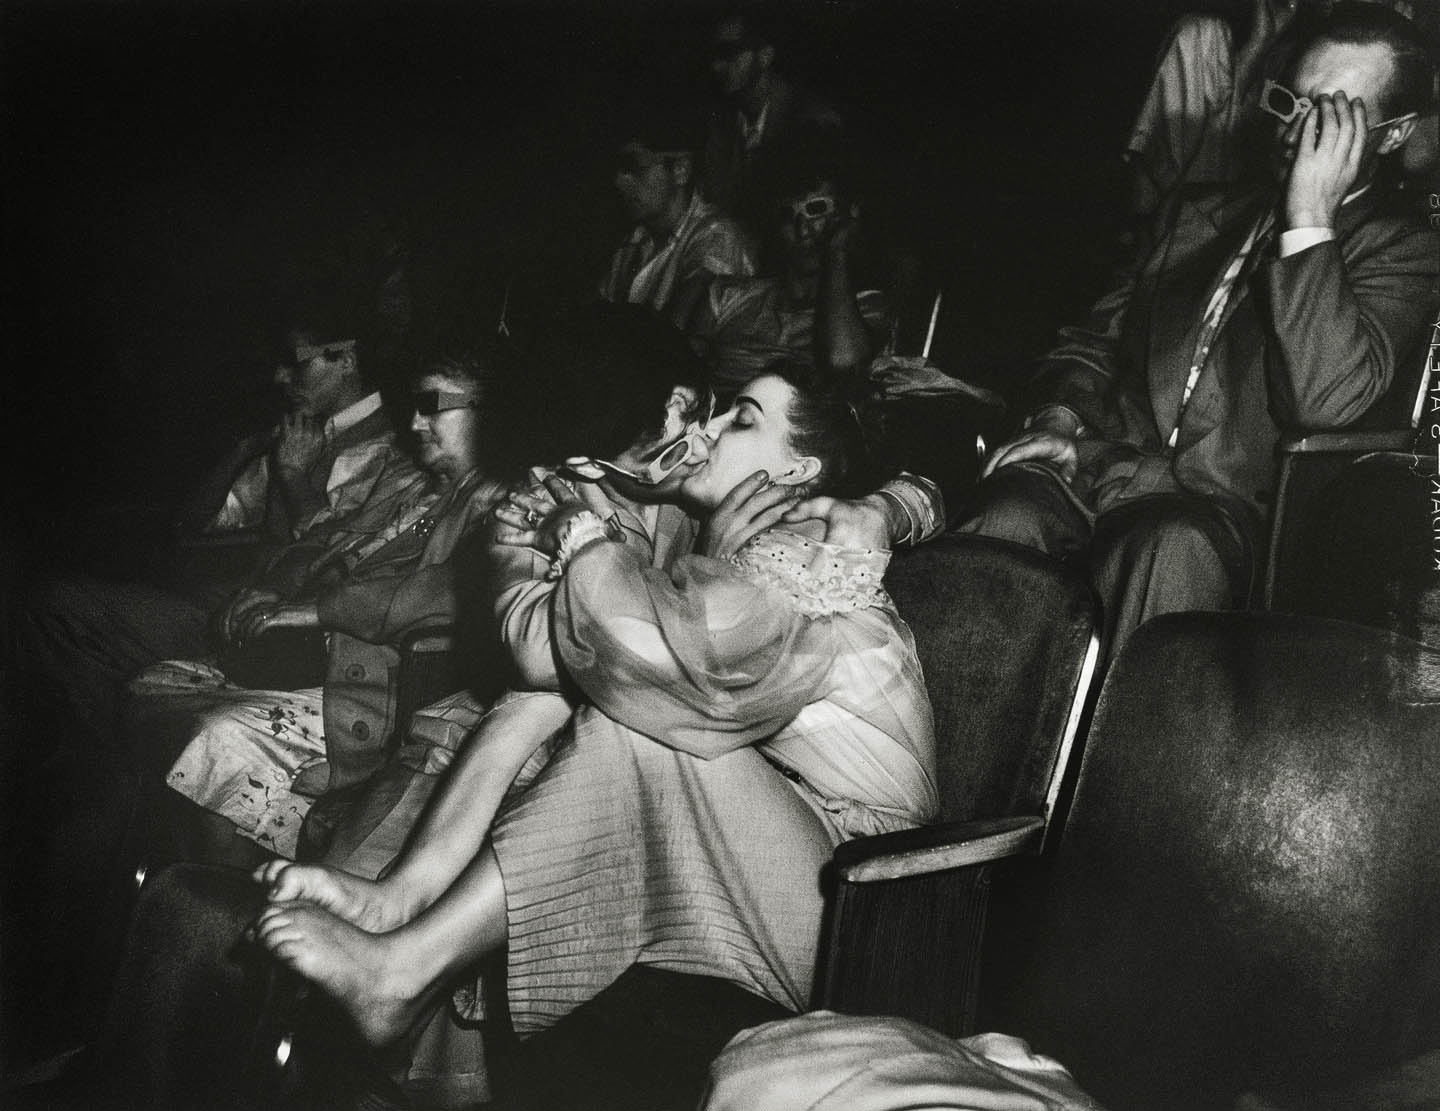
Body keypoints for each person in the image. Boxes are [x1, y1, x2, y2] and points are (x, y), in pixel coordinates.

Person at [248, 361, 938, 1051]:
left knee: (624, 717)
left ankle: (404, 969)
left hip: (867, 900)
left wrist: (574, 533)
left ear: (796, 471)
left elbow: (652, 650)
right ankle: (399, 899)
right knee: (543, 698)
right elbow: (592, 657)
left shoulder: (814, 549)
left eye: (744, 418)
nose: (711, 428)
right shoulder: (739, 547)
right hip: (783, 851)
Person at [959, 2, 1439, 653]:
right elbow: (1093, 340)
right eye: (1291, 103)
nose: (1295, 131)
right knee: (1004, 513)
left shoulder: (1406, 250)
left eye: (1329, 116)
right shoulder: (1198, 211)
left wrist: (1309, 216)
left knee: (1165, 546)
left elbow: (1324, 402)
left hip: (1226, 513)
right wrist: (1060, 418)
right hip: (1095, 465)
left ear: (1390, 134)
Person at [126, 338, 521, 859]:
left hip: (393, 692)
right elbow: (331, 537)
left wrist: (308, 611)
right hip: (328, 666)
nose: (416, 424)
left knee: (214, 738)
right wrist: (280, 589)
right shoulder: (418, 485)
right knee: (148, 692)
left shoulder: (507, 498)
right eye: (414, 408)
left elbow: (447, 589)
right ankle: (193, 880)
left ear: (488, 414)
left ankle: (228, 900)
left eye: (433, 408)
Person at [1, 292, 418, 750]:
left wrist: (295, 478)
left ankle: (121, 756)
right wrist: (243, 449)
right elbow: (192, 528)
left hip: (287, 635)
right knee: (52, 605)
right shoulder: (299, 433)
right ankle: (124, 754)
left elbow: (346, 562)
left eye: (295, 362)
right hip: (229, 604)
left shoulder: (395, 448)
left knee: (56, 606)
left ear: (346, 360)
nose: (279, 376)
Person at [691, 128, 888, 393]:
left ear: (850, 213)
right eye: (787, 215)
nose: (803, 231)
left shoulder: (866, 308)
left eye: (816, 209)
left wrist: (838, 251)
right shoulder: (725, 296)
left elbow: (844, 364)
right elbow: (675, 376)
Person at [599, 101, 757, 334]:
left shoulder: (717, 238)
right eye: (617, 168)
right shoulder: (633, 241)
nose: (619, 181)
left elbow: (675, 339)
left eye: (632, 167)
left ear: (681, 169)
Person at [700, 4, 843, 224]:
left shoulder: (812, 120)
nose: (716, 67)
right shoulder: (720, 123)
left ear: (765, 55)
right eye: (713, 55)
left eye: (729, 53)